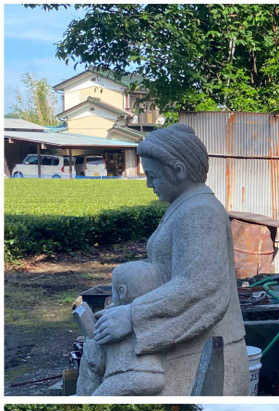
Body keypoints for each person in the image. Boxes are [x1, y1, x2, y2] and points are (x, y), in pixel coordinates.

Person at [92, 123, 249, 394]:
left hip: (202, 351)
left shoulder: (199, 212)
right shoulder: (185, 207)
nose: (149, 183)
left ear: (177, 170)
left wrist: (132, 315)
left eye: (153, 175)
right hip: (188, 349)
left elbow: (200, 286)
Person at [77, 261, 166, 395]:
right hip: (156, 374)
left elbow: (97, 364)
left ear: (122, 291)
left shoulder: (112, 321)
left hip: (124, 377)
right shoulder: (152, 317)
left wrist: (90, 342)